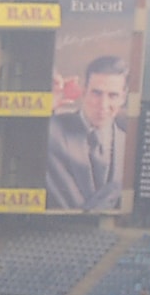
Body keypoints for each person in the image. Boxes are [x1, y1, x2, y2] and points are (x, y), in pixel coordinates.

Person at [43, 54, 130, 212]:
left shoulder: (128, 145)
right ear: (84, 91)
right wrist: (43, 107)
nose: (103, 105)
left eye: (113, 95)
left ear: (123, 98)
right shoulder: (51, 128)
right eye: (96, 93)